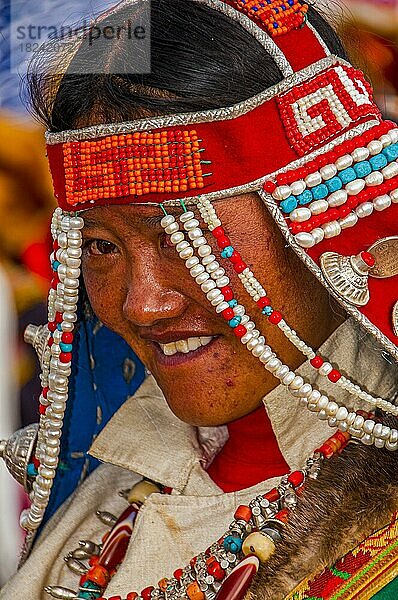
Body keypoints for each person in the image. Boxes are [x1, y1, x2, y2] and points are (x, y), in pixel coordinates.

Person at [1, 1, 397, 599]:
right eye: (104, 245)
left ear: (324, 219)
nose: (142, 304)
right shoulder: (114, 486)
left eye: (188, 237)